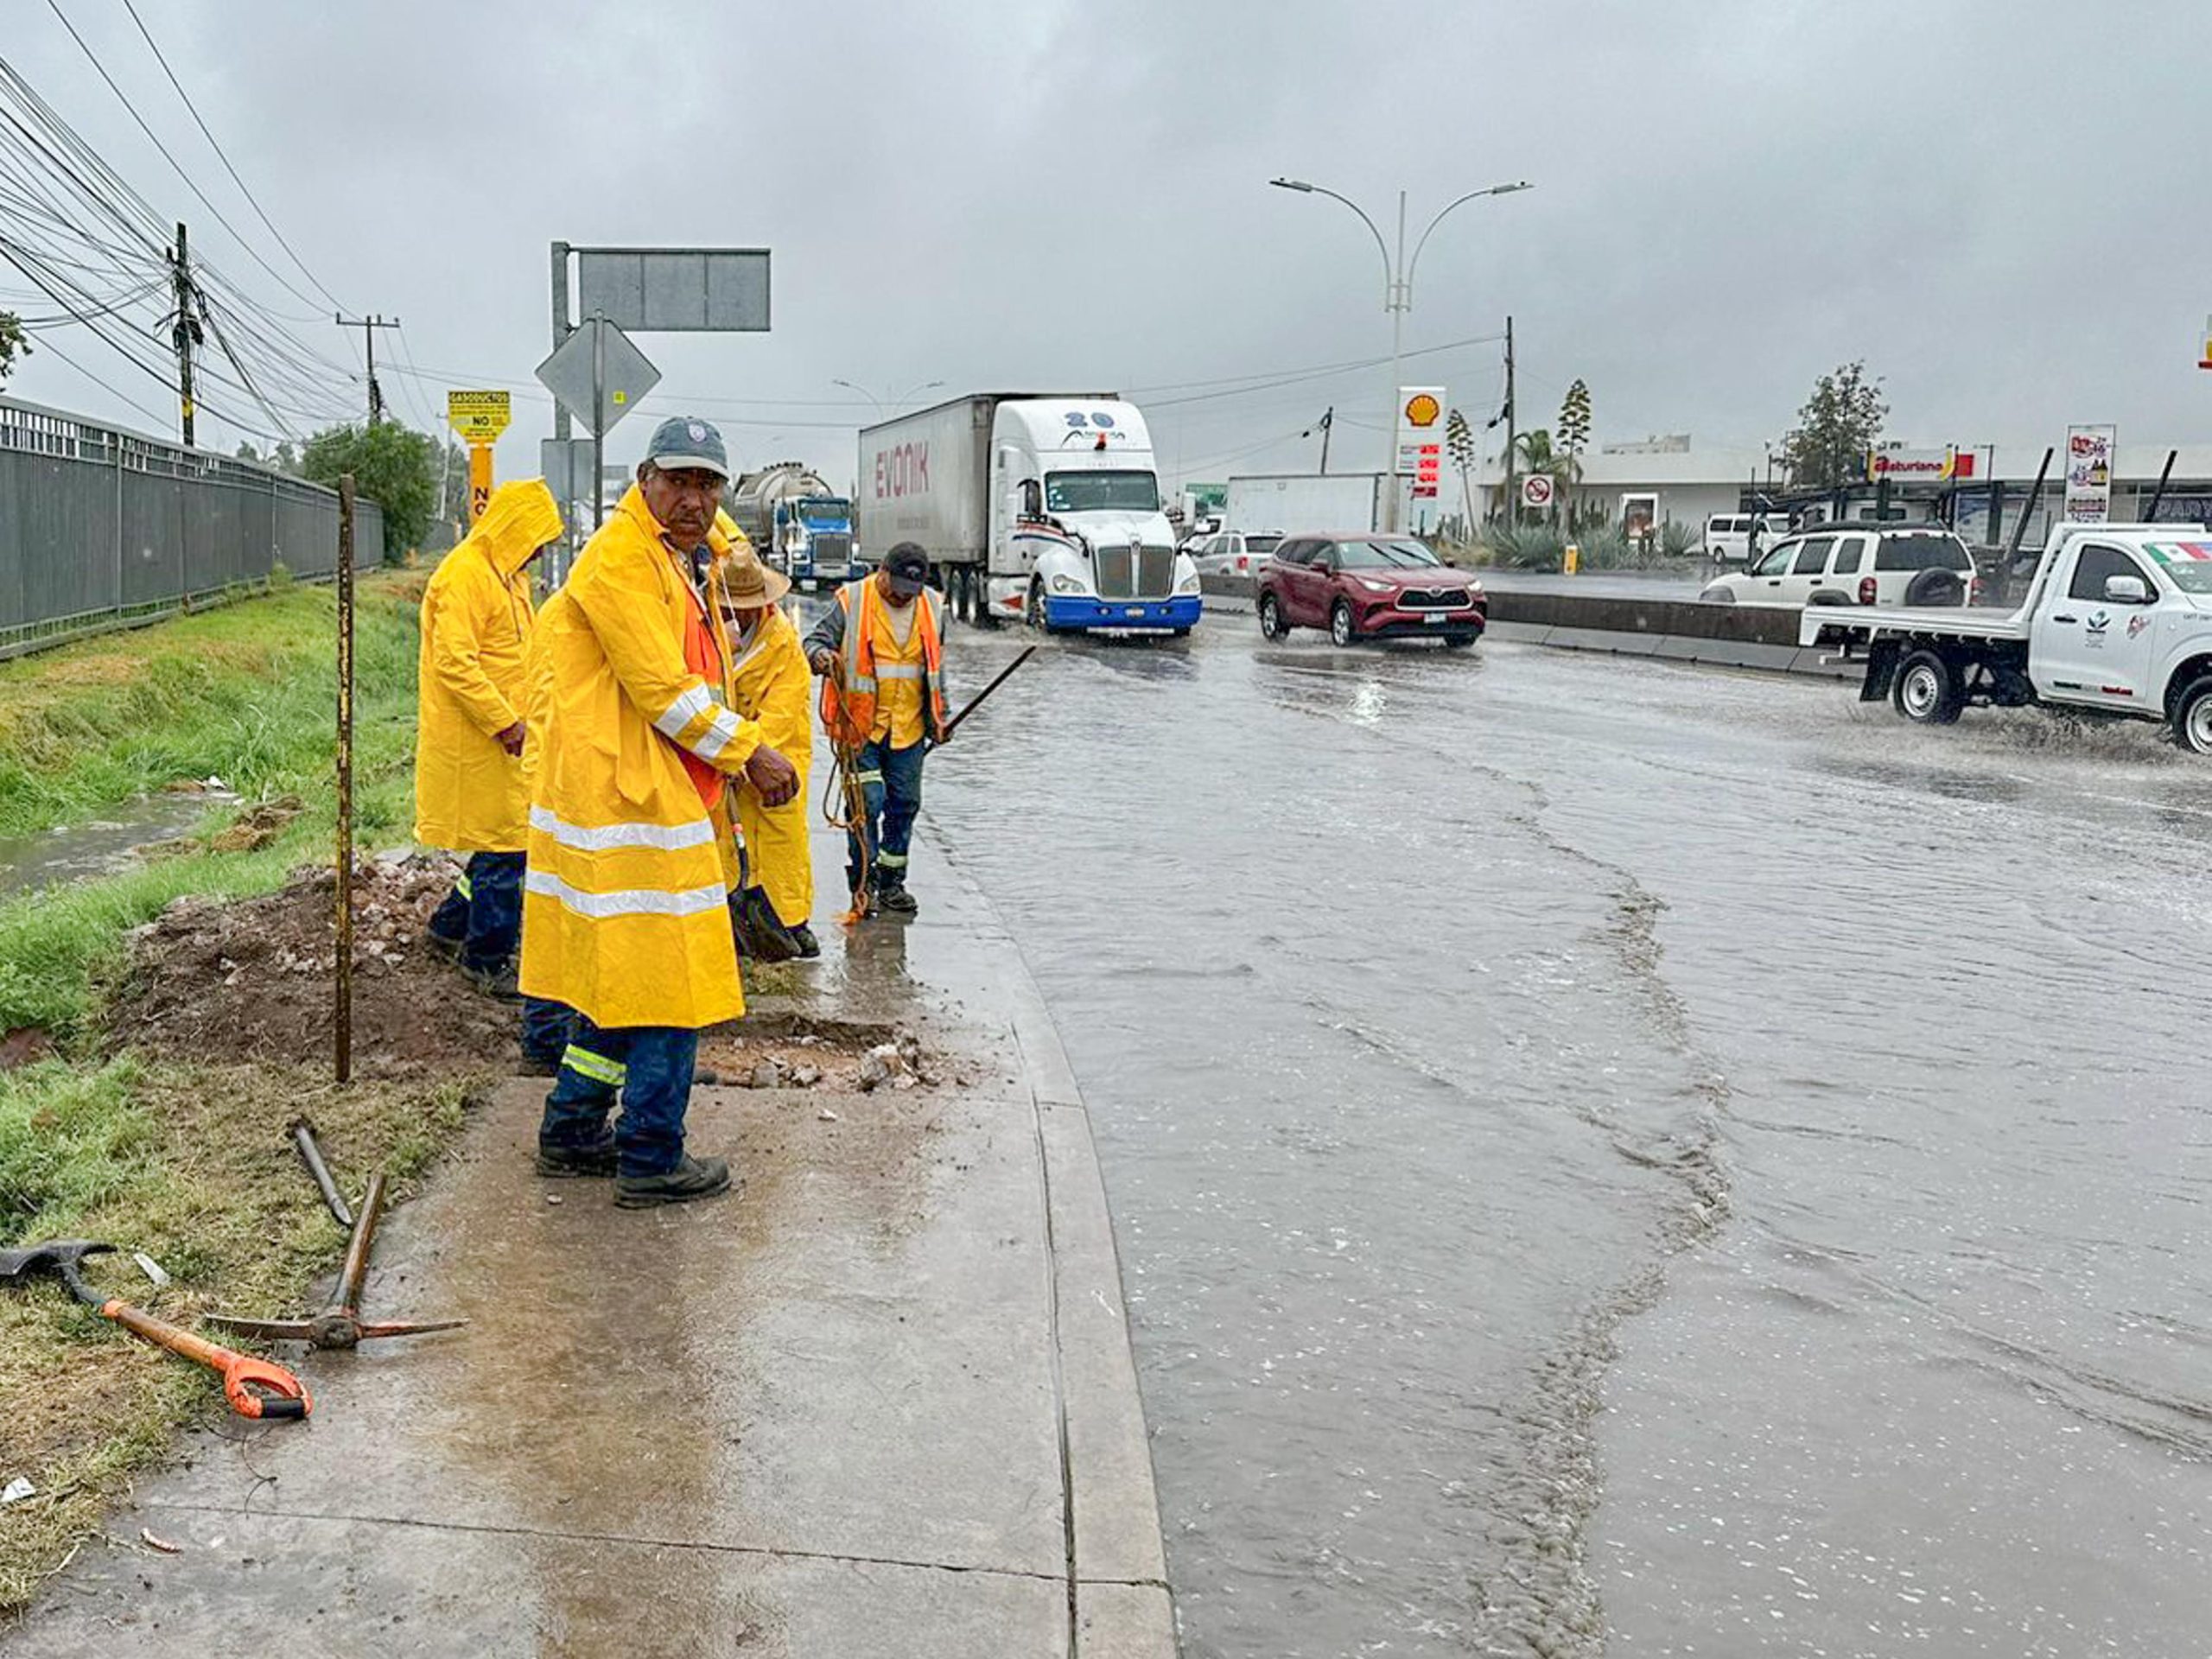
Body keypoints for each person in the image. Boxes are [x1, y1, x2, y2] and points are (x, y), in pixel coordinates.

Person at [520, 416, 801, 1208]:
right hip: (631, 802)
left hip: (638, 793)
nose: (694, 498)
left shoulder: (670, 556)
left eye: (709, 484)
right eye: (679, 481)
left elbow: (713, 596)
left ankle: (572, 1131)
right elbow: (662, 691)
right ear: (643, 478)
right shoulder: (621, 559)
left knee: (622, 982)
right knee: (674, 984)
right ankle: (650, 1154)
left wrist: (718, 540)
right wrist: (751, 751)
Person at [416, 478, 564, 1000]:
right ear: (515, 530)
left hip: (510, 737)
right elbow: (455, 662)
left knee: (503, 843)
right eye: (538, 540)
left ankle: (450, 926)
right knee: (507, 845)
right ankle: (486, 958)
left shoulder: (506, 574)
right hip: (484, 738)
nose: (543, 551)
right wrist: (505, 722)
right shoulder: (466, 575)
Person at [805, 542, 948, 916]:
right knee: (866, 803)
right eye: (897, 586)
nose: (902, 596)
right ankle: (863, 883)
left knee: (905, 805)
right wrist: (821, 657)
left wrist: (941, 718)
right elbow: (814, 640)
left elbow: (935, 669)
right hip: (859, 730)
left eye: (909, 591)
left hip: (909, 730)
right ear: (881, 571)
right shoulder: (853, 600)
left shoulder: (932, 606)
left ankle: (892, 882)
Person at [710, 533, 819, 959]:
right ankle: (732, 926)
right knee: (725, 850)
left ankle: (792, 923)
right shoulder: (704, 631)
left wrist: (745, 757)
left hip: (773, 763)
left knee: (781, 847)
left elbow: (780, 713)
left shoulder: (783, 646)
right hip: (724, 760)